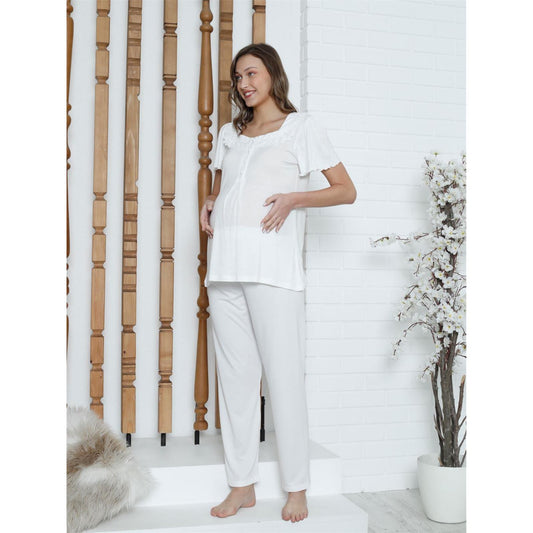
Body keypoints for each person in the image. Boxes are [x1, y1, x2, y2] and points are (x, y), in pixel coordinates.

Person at [199, 43, 356, 523]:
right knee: (236, 382)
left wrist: (293, 199)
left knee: (283, 380)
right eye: (238, 77)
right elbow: (225, 187)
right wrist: (210, 202)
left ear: (271, 73)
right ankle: (242, 485)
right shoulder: (231, 133)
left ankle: (297, 488)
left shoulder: (301, 127)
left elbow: (345, 190)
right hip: (225, 267)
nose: (244, 83)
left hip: (273, 269)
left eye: (251, 73)